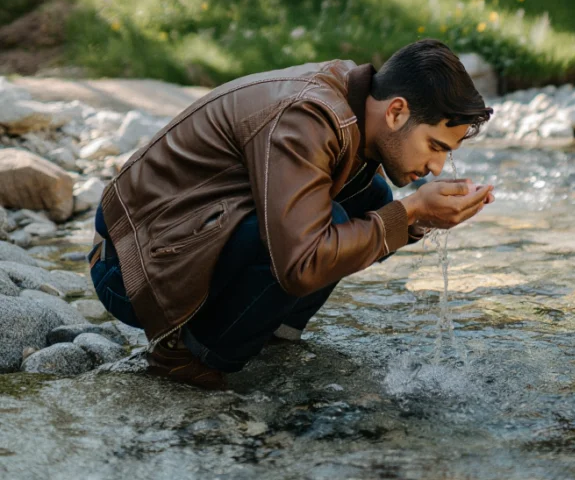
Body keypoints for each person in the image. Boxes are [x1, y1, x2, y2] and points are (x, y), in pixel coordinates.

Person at [88, 39, 495, 389]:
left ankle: (269, 335)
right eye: (436, 146)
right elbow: (303, 262)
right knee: (327, 229)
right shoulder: (309, 116)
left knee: (371, 196)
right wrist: (410, 211)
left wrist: (418, 219)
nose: (437, 168)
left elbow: (372, 222)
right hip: (129, 269)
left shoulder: (354, 104)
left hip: (176, 240)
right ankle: (187, 358)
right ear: (396, 112)